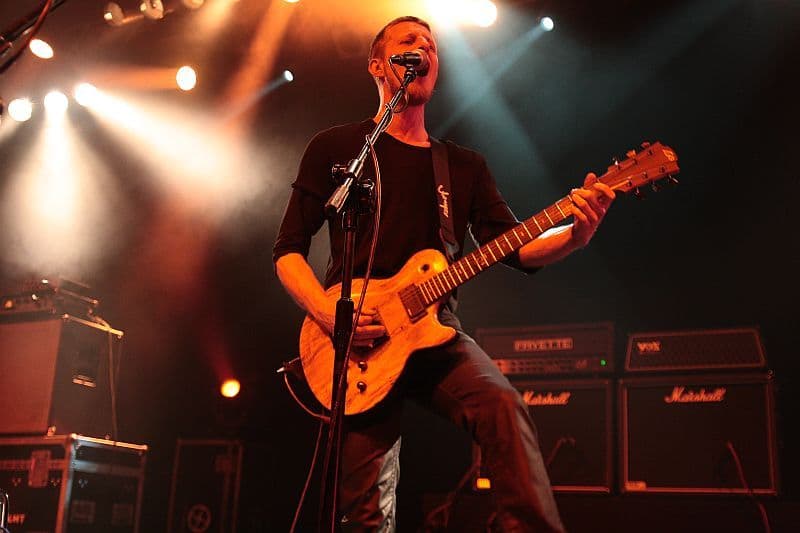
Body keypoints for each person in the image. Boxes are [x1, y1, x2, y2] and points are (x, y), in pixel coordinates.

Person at [274, 15, 615, 532]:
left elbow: (516, 247)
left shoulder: (461, 166)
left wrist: (575, 235)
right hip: (358, 343)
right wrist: (326, 312)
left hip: (436, 336)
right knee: (364, 513)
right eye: (409, 41)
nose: (424, 49)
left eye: (430, 45)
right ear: (378, 66)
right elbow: (287, 250)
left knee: (502, 408)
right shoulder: (336, 149)